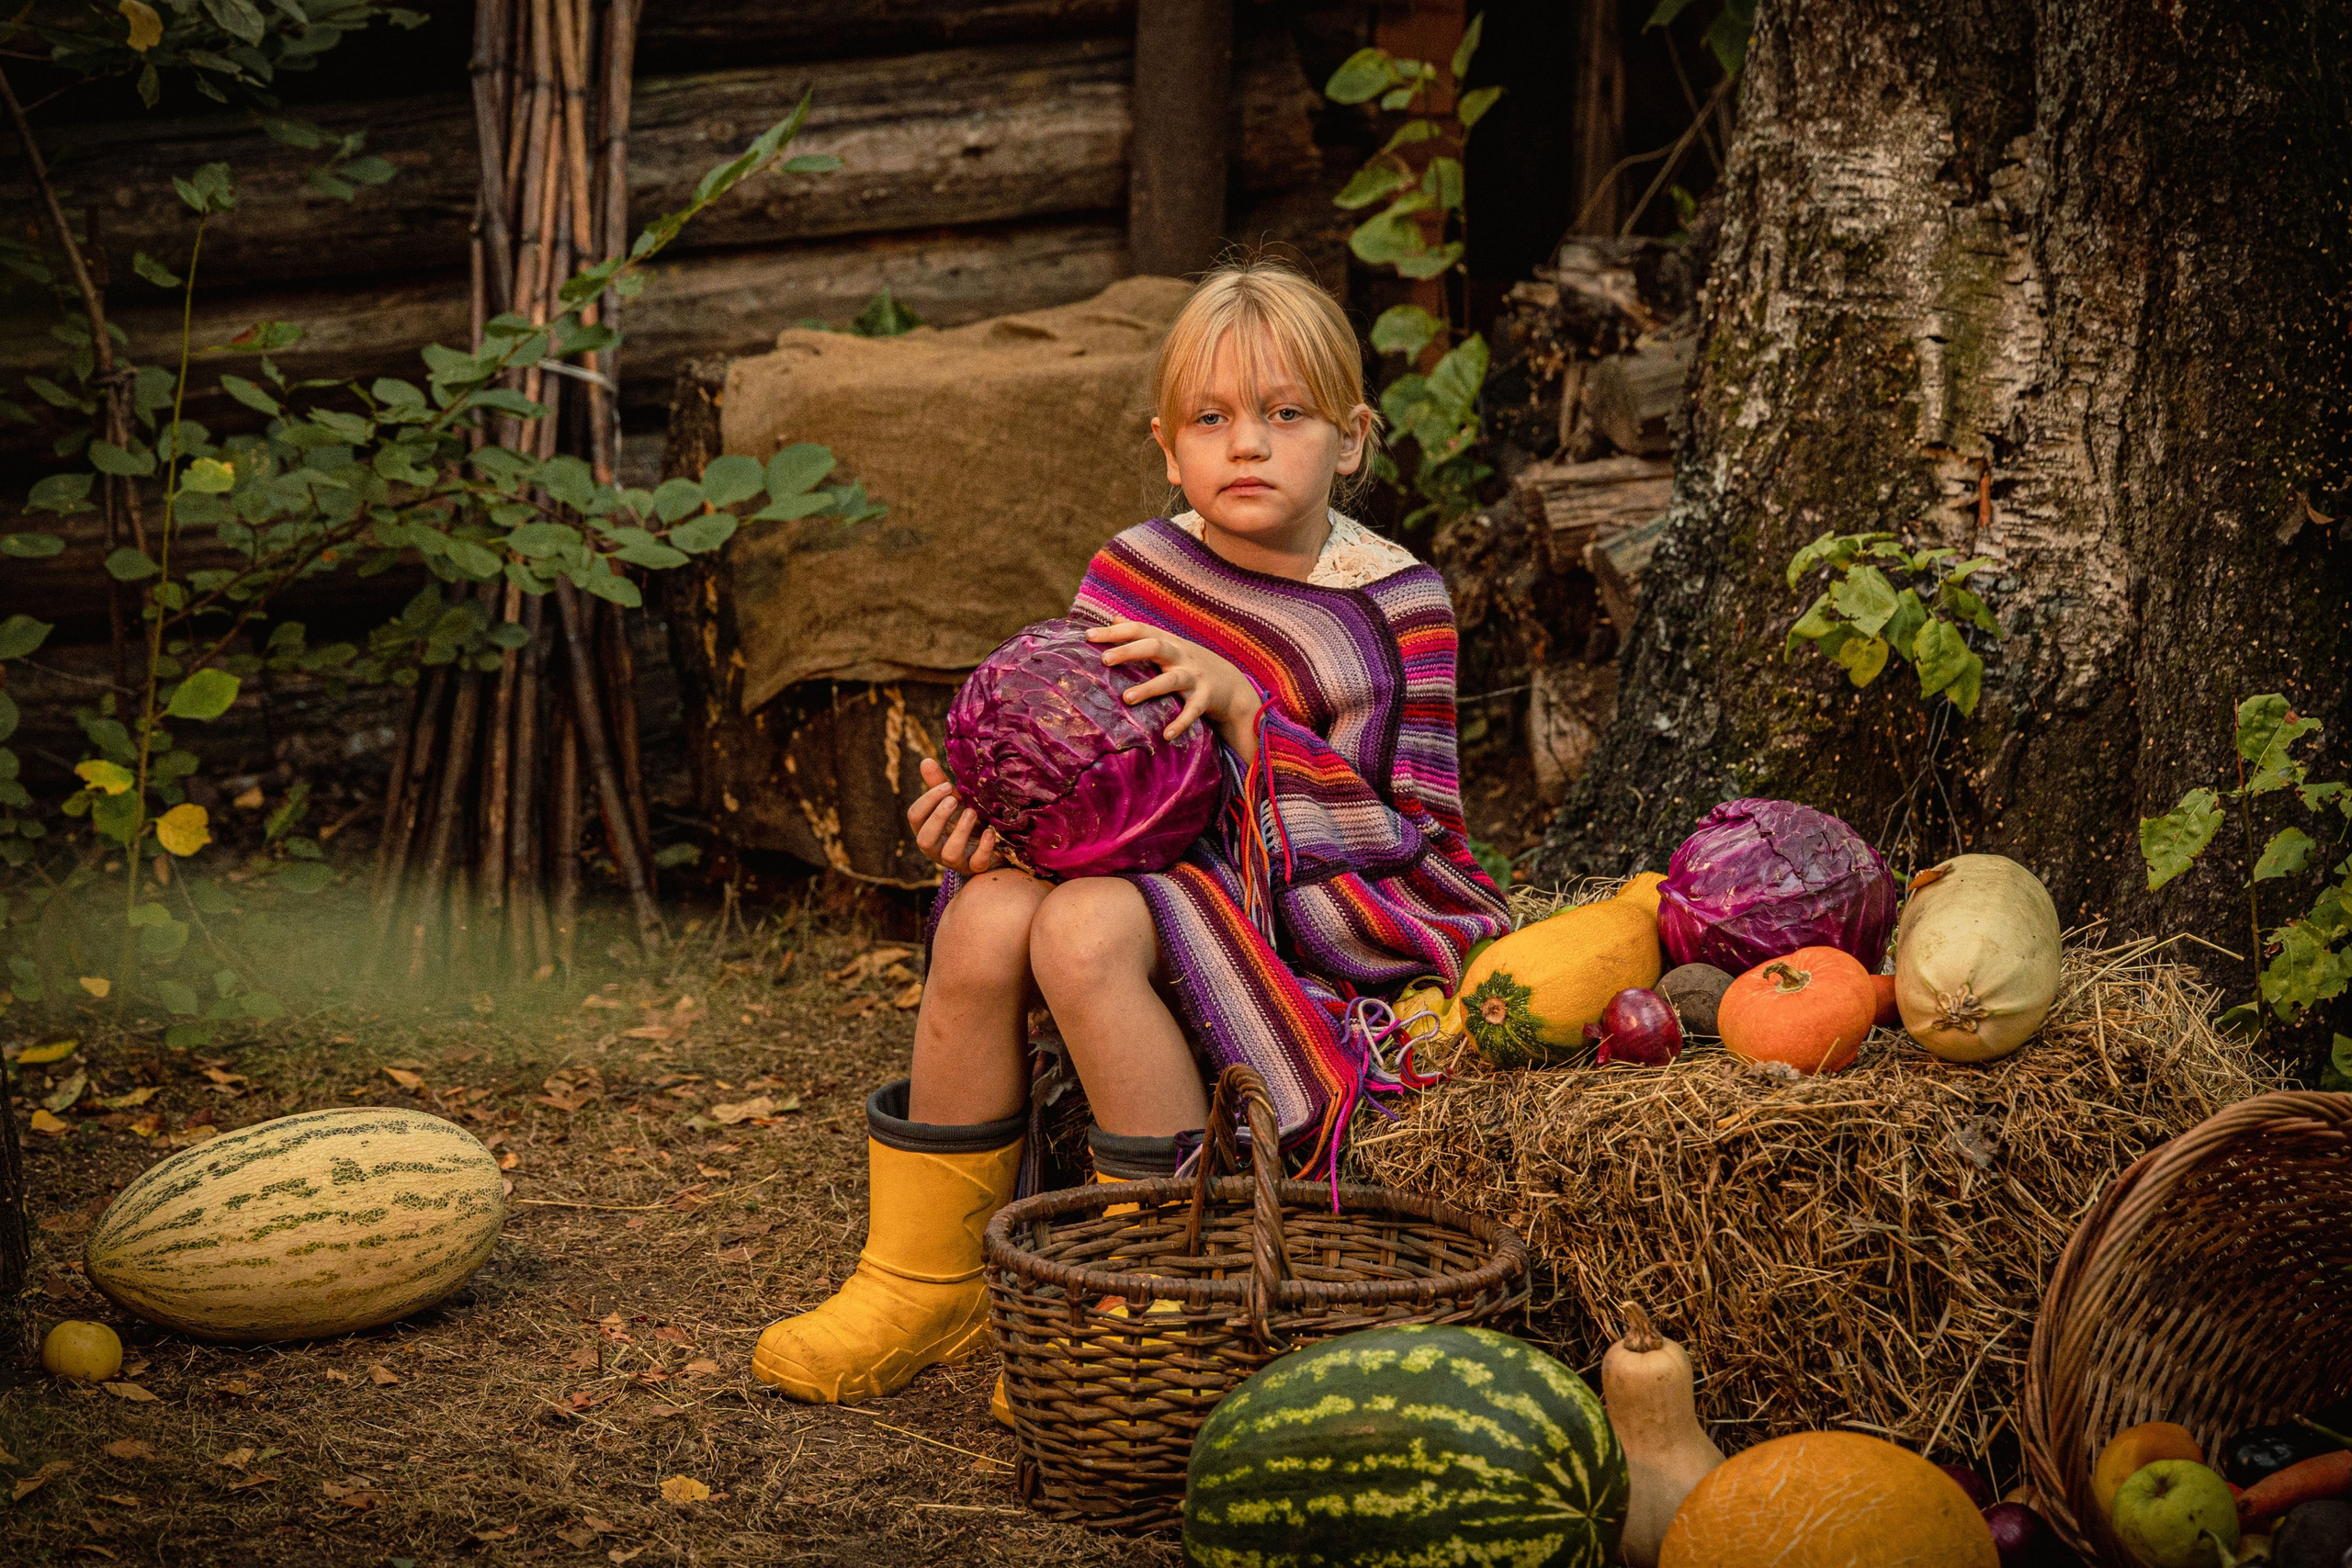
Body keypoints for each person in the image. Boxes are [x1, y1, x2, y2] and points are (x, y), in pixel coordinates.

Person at [752, 258, 1510, 1405]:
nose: (1245, 444)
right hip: (1137, 869)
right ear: (1167, 449)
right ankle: (924, 1277)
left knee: (1087, 933)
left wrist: (1251, 715)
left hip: (1308, 903)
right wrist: (992, 814)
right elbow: (1079, 751)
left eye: (1284, 414)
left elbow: (1412, 825)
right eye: (1211, 419)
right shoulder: (1135, 565)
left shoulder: (1395, 604)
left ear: (1351, 440)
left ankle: (1157, 1280)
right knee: (990, 917)